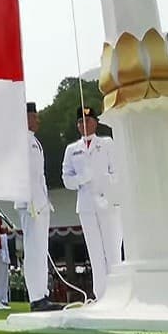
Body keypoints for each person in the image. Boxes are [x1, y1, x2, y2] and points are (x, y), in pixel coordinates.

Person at [62, 106, 122, 301]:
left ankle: (118, 292)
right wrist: (81, 178)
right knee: (95, 251)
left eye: (87, 121)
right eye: (80, 122)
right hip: (87, 205)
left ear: (95, 122)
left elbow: (118, 171)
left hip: (107, 202)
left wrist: (106, 181)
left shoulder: (106, 143)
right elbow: (67, 180)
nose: (84, 125)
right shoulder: (72, 150)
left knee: (112, 250)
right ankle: (101, 295)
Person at [15, 102, 62, 311]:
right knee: (33, 250)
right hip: (30, 203)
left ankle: (42, 294)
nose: (38, 120)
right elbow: (23, 174)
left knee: (40, 249)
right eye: (34, 116)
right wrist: (31, 200)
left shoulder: (33, 140)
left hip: (40, 203)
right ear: (26, 117)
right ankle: (36, 297)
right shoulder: (21, 140)